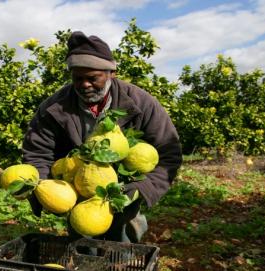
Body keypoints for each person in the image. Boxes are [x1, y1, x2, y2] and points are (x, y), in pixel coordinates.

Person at [22, 31, 182, 243]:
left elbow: (168, 151)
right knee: (83, 235)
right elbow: (37, 153)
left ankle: (124, 261)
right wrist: (47, 189)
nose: (85, 84)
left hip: (125, 187)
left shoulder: (141, 103)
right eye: (78, 78)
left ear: (111, 73)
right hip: (78, 187)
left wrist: (143, 188)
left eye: (92, 78)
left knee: (125, 235)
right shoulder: (54, 108)